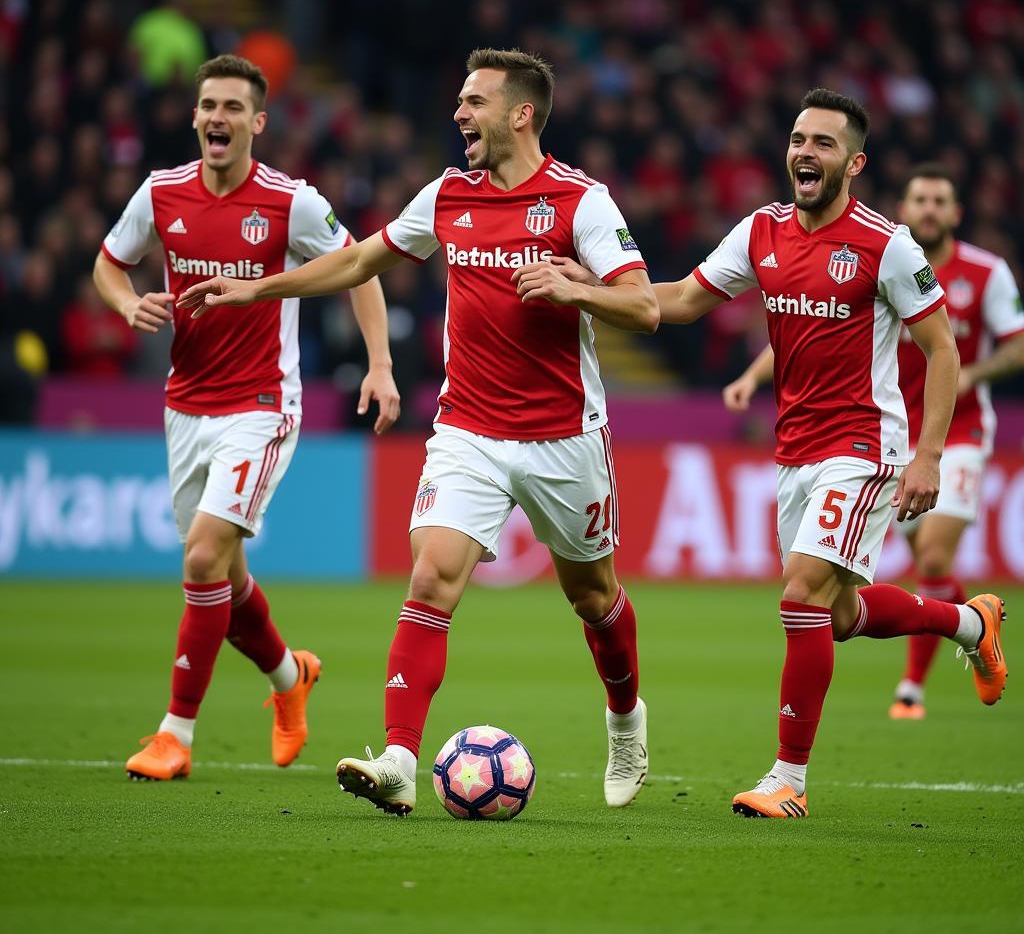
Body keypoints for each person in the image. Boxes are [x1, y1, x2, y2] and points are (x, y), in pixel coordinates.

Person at [178, 47, 659, 814]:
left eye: (475, 102)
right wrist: (256, 288)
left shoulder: (580, 202)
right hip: (468, 427)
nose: (460, 114)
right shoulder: (445, 196)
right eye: (460, 100)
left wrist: (574, 286)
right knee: (431, 576)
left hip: (564, 434)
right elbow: (358, 260)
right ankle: (400, 757)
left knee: (594, 596)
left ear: (521, 113)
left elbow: (645, 306)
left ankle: (627, 721)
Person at [568, 88, 1007, 818]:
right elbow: (678, 301)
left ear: (854, 162)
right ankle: (969, 622)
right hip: (794, 450)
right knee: (833, 615)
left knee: (800, 595)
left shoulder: (885, 244)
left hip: (864, 445)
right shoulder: (760, 232)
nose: (805, 151)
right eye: (799, 139)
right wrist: (592, 289)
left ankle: (789, 782)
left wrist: (928, 456)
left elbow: (942, 347)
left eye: (824, 143)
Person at [93, 54, 400, 781]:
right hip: (186, 403)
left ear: (258, 123)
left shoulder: (290, 202)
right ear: (195, 117)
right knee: (224, 583)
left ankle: (175, 735)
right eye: (208, 106)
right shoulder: (161, 193)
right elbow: (109, 262)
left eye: (233, 107)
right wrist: (124, 301)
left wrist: (381, 364)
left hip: (261, 405)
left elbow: (359, 266)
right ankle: (292, 679)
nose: (217, 119)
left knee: (200, 557)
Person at [723, 164, 1024, 723]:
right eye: (920, 199)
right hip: (846, 438)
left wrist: (955, 408)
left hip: (936, 433)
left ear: (956, 212)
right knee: (836, 616)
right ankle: (969, 622)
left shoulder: (973, 270)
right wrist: (753, 377)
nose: (929, 210)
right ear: (907, 207)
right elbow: (806, 322)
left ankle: (902, 695)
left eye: (941, 201)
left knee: (915, 559)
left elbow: (980, 349)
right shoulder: (863, 252)